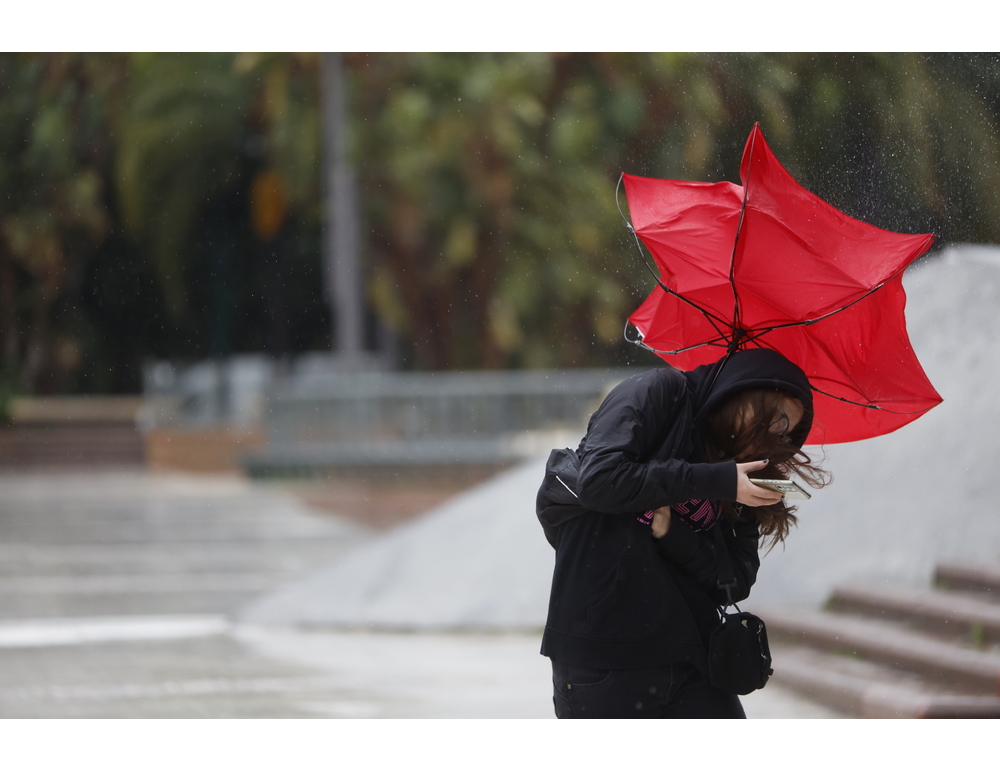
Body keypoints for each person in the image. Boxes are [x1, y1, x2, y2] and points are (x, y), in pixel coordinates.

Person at [536, 347, 829, 718]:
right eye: (779, 419)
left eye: (787, 433)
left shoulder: (744, 470)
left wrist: (674, 535)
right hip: (606, 656)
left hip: (692, 660)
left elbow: (735, 581)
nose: (777, 436)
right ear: (748, 388)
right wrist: (717, 480)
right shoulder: (660, 391)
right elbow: (599, 480)